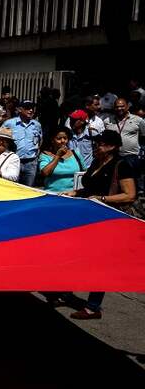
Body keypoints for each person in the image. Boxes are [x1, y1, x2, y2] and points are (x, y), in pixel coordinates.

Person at [64, 130, 137, 319]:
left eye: (101, 144)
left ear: (112, 146)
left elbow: (129, 194)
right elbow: (90, 187)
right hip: (90, 216)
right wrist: (75, 192)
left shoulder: (121, 165)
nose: (97, 146)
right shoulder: (97, 162)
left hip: (109, 219)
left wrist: (102, 198)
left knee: (100, 262)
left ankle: (93, 306)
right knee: (77, 256)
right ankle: (65, 291)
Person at [106, 97, 145, 188]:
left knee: (134, 179)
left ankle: (137, 198)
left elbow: (143, 136)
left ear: (127, 106)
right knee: (115, 180)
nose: (119, 108)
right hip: (114, 157)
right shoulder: (107, 121)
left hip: (131, 156)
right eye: (117, 106)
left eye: (122, 106)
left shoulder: (138, 120)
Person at [4, 100, 43, 186]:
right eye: (27, 108)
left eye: (32, 108)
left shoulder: (37, 125)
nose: (31, 110)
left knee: (29, 190)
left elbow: (40, 140)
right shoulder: (9, 123)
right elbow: (1, 139)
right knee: (12, 188)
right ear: (19, 109)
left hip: (31, 162)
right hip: (14, 161)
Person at [38, 127, 85, 192]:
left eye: (65, 138)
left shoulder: (76, 154)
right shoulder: (45, 155)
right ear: (52, 140)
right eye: (59, 138)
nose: (62, 141)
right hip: (53, 194)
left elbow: (85, 172)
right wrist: (57, 156)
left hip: (73, 195)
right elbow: (45, 173)